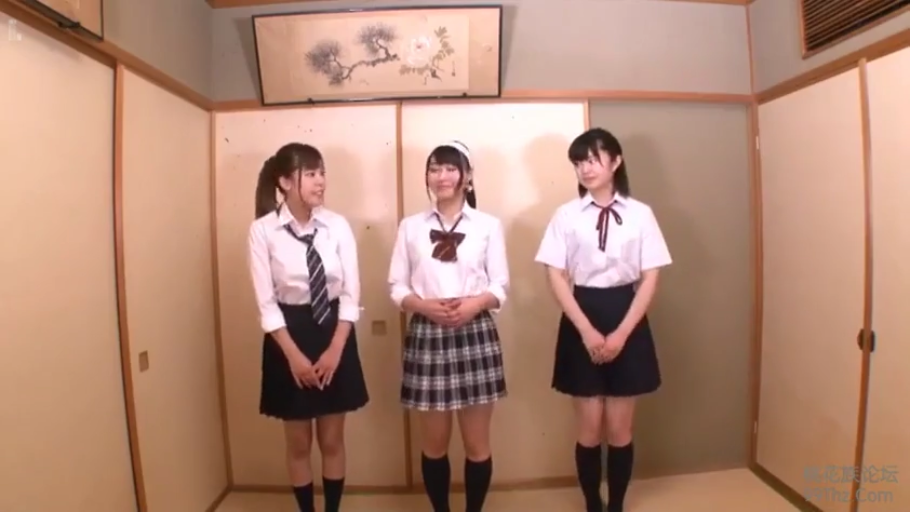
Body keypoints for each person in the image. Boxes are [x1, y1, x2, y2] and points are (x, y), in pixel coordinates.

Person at [534, 128, 671, 512]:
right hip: (582, 313)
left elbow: (651, 277)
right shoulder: (566, 215)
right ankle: (592, 503)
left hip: (628, 312)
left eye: (593, 159)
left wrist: (622, 333)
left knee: (620, 429)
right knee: (589, 428)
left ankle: (617, 505)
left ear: (616, 161)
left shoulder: (641, 214)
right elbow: (554, 275)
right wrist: (586, 330)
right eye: (579, 162)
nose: (586, 168)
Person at [387, 141, 509, 512]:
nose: (441, 176)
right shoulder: (410, 227)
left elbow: (500, 286)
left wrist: (475, 304)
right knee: (434, 444)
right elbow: (397, 286)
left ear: (467, 176)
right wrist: (423, 306)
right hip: (427, 333)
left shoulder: (488, 225)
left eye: (450, 168)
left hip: (476, 333)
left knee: (477, 444)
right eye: (434, 168)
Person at [247, 143, 369, 512]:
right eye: (311, 174)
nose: (321, 182)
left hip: (335, 332)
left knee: (332, 440)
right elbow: (266, 303)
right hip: (289, 336)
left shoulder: (337, 225)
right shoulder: (263, 231)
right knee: (298, 443)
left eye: (322, 173)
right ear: (285, 182)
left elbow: (351, 293)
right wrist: (294, 357)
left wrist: (336, 349)